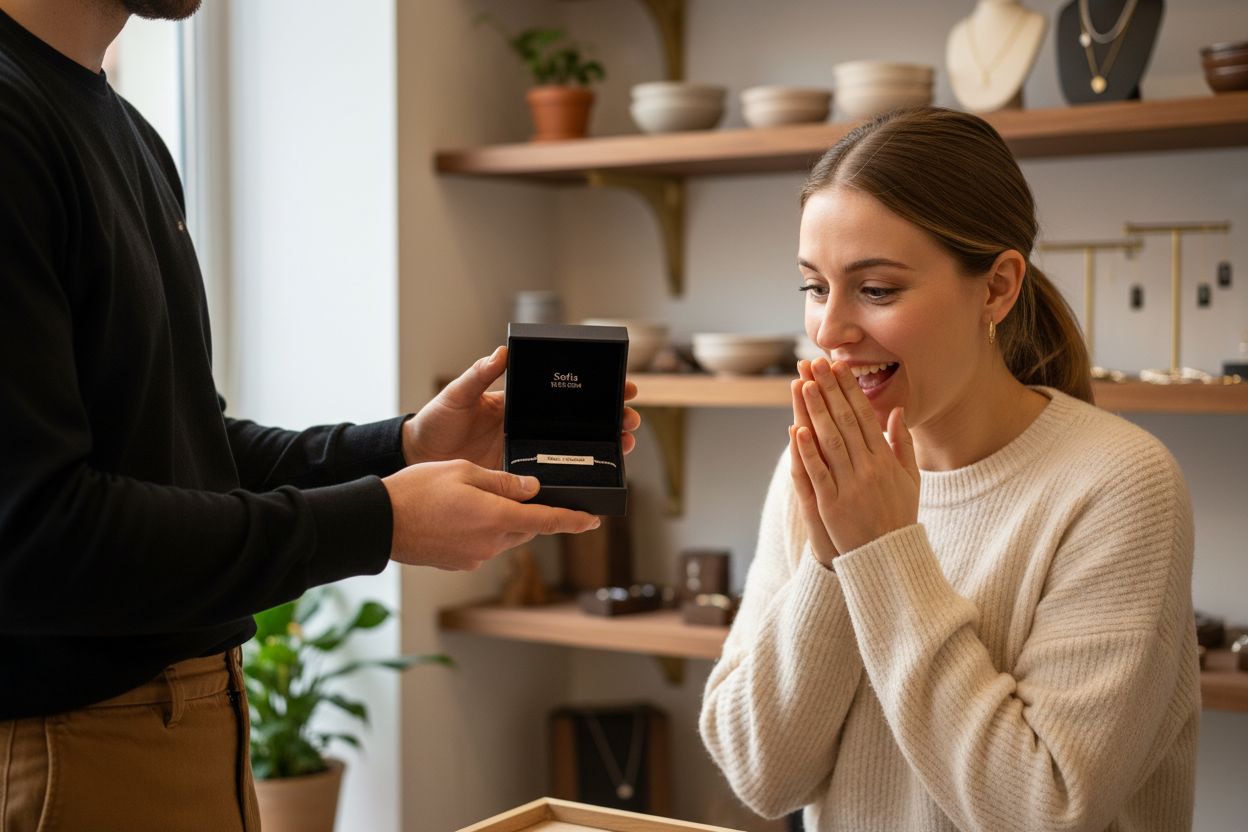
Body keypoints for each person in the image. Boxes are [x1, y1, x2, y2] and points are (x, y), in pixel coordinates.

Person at [0, 1, 639, 829]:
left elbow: (186, 448)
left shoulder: (123, 130)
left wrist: (403, 448)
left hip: (178, 730)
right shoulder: (12, 125)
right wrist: (379, 521)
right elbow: (34, 536)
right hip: (71, 750)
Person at [699, 107, 1198, 831]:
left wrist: (881, 549)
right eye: (814, 287)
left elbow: (1043, 812)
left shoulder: (1119, 483)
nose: (830, 332)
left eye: (876, 290)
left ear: (996, 288)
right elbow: (763, 776)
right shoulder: (822, 460)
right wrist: (832, 563)